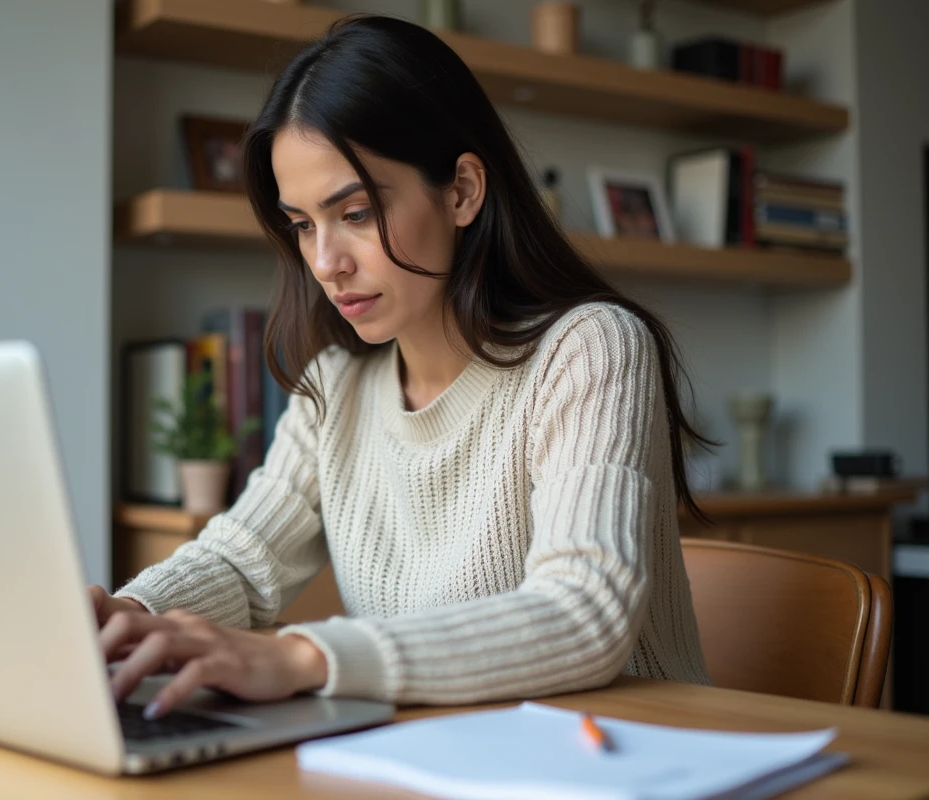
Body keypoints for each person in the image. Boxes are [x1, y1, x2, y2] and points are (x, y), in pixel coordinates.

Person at [89, 14, 713, 722]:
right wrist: (125, 615)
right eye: (302, 224)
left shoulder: (589, 349)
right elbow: (241, 560)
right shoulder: (336, 385)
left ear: (462, 192)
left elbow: (583, 613)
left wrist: (307, 656)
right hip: (439, 758)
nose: (326, 262)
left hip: (628, 758)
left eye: (354, 212)